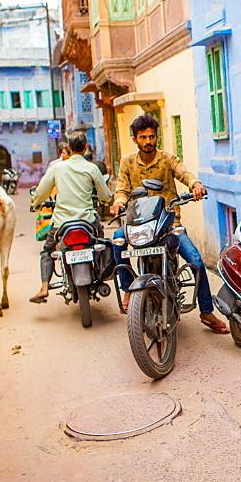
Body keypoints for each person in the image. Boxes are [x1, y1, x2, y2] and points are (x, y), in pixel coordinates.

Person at [110, 113, 229, 334]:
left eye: (151, 137)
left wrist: (195, 185)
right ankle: (128, 287)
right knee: (117, 240)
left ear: (157, 137)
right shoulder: (127, 161)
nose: (148, 141)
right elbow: (122, 189)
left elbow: (184, 173)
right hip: (139, 226)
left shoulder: (168, 159)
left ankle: (206, 311)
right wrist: (118, 203)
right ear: (135, 139)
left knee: (196, 260)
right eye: (143, 137)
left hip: (168, 223)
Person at [29, 131, 111, 304]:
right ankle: (101, 273)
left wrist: (36, 204)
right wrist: (103, 200)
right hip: (87, 222)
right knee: (101, 243)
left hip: (61, 224)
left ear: (68, 148)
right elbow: (105, 196)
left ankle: (44, 288)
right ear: (86, 147)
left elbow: (41, 192)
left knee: (47, 251)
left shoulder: (57, 168)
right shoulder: (92, 168)